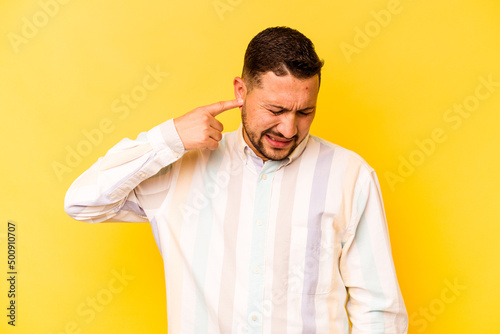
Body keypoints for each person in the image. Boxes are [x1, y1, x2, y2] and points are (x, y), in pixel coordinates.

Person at [65, 26, 408, 334]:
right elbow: (82, 202)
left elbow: (379, 311)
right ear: (241, 91)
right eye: (275, 110)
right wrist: (168, 139)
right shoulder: (181, 165)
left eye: (304, 112)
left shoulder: (349, 175)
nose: (289, 129)